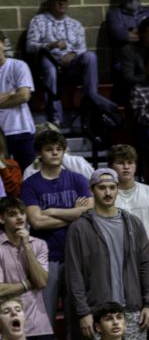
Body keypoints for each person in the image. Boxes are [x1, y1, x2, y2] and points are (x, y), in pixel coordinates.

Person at [64, 167, 149, 340]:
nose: (107, 192)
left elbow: (146, 266)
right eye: (102, 188)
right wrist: (83, 312)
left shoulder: (134, 224)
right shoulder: (79, 228)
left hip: (131, 311)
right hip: (97, 313)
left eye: (112, 187)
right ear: (92, 190)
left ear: (117, 189)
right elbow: (74, 275)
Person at [20, 129, 92, 326]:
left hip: (76, 255)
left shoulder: (78, 179)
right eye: (49, 149)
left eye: (59, 149)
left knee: (78, 322)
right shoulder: (30, 184)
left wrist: (51, 211)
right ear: (39, 153)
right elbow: (36, 222)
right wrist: (73, 214)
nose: (55, 153)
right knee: (45, 320)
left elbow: (89, 213)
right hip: (44, 258)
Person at [108, 143, 149, 340]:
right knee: (122, 326)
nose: (126, 167)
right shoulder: (106, 196)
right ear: (111, 166)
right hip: (116, 269)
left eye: (130, 162)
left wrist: (142, 254)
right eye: (120, 163)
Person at [25, 0, 116, 128]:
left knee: (90, 56)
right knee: (48, 64)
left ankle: (90, 103)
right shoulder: (38, 21)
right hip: (50, 63)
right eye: (58, 0)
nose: (62, 3)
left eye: (64, 0)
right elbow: (30, 46)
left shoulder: (75, 24)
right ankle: (56, 118)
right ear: (50, 2)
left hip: (71, 66)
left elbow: (82, 48)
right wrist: (50, 45)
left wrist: (73, 55)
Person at [0, 198, 53, 340]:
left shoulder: (39, 244)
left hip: (39, 326)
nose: (19, 217)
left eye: (22, 213)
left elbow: (41, 282)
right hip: (7, 327)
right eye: (12, 214)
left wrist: (27, 245)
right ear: (2, 219)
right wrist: (28, 284)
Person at [0, 29, 36, 168]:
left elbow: (24, 96)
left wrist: (16, 95)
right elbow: (19, 94)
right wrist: (11, 93)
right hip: (0, 136)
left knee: (29, 174)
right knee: (5, 177)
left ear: (3, 44)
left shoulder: (18, 66)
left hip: (21, 130)